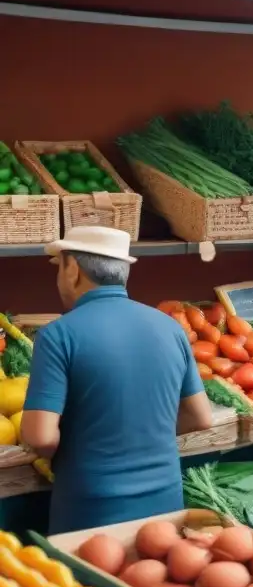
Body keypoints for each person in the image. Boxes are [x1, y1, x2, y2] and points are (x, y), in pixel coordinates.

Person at [20, 227, 212, 533]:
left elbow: (41, 436)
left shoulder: (59, 334)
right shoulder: (170, 328)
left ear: (72, 269)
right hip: (165, 501)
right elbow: (201, 417)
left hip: (92, 507)